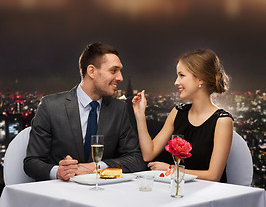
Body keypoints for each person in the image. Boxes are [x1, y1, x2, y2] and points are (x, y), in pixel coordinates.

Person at [24, 43, 146, 181]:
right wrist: (58, 172)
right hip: (61, 194)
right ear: (92, 71)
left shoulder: (119, 109)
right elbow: (31, 163)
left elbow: (136, 159)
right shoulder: (50, 106)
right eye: (114, 71)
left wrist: (96, 167)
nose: (120, 78)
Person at [132, 49, 233, 182]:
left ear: (200, 78)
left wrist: (171, 169)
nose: (176, 82)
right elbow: (148, 154)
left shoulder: (222, 121)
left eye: (181, 75)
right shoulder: (177, 112)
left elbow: (213, 176)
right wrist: (140, 115)